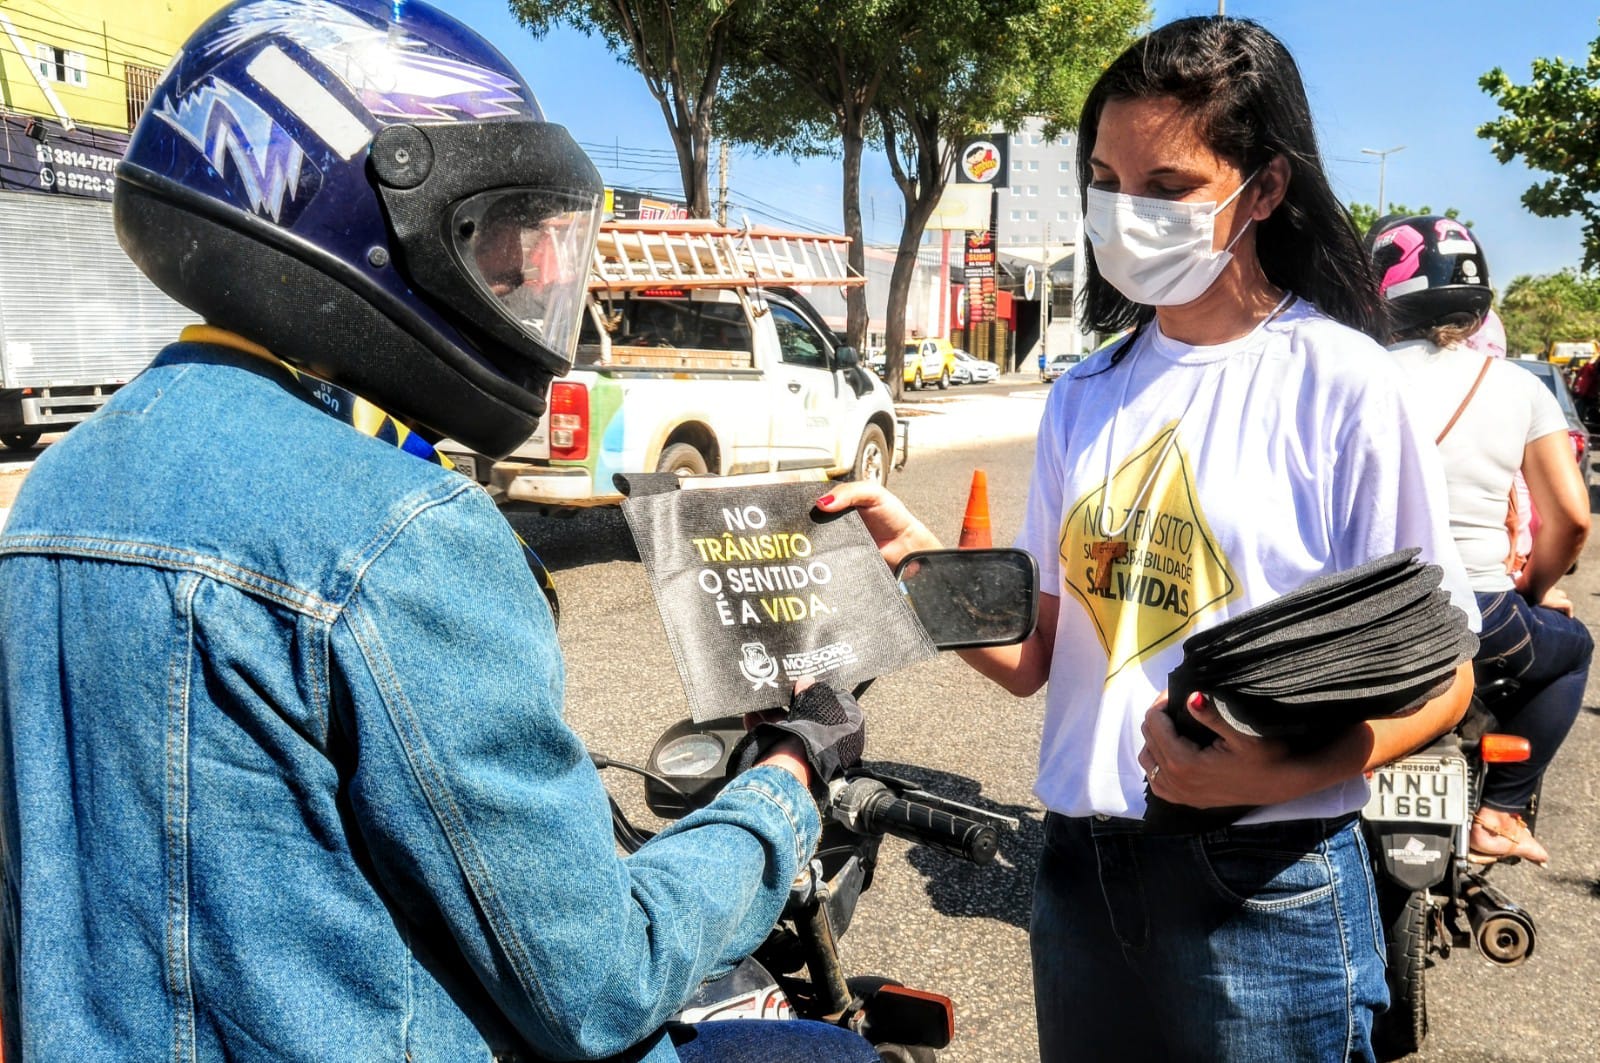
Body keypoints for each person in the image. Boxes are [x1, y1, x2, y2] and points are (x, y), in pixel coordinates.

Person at [0, 3, 875, 1061]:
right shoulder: (393, 531)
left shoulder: (55, 490)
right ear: (374, 219)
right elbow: (600, 981)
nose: (532, 286)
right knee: (821, 1053)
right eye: (501, 248)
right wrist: (783, 780)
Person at [820, 16, 1477, 1062]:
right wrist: (909, 562)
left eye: (1167, 187)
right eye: (1104, 179)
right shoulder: (1085, 391)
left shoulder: (1345, 384)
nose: (1127, 214)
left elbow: (1441, 680)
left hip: (1266, 884)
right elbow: (1034, 658)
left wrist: (1265, 779)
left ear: (1262, 189)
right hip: (1078, 878)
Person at [1369, 214, 1592, 866]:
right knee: (1572, 651)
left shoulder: (1353, 376)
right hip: (1484, 612)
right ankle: (1499, 811)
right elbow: (1572, 518)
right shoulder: (1521, 389)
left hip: (1368, 615)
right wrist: (1535, 590)